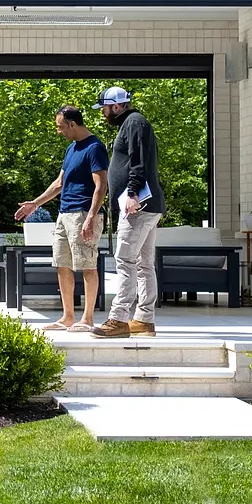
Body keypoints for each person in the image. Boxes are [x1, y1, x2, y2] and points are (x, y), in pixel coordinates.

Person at [14, 106, 108, 332]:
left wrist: (91, 217)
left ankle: (87, 319)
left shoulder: (95, 148)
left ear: (72, 124)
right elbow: (59, 184)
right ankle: (67, 317)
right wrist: (34, 204)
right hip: (64, 214)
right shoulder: (71, 149)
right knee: (62, 264)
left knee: (87, 265)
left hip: (83, 214)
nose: (59, 131)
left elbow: (101, 185)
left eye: (60, 127)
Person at [90, 87, 165, 338]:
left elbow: (138, 161)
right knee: (144, 264)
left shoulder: (134, 123)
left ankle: (119, 319)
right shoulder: (133, 123)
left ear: (117, 106)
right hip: (145, 206)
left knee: (125, 261)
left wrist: (132, 193)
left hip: (138, 206)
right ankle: (144, 319)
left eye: (104, 108)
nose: (103, 113)